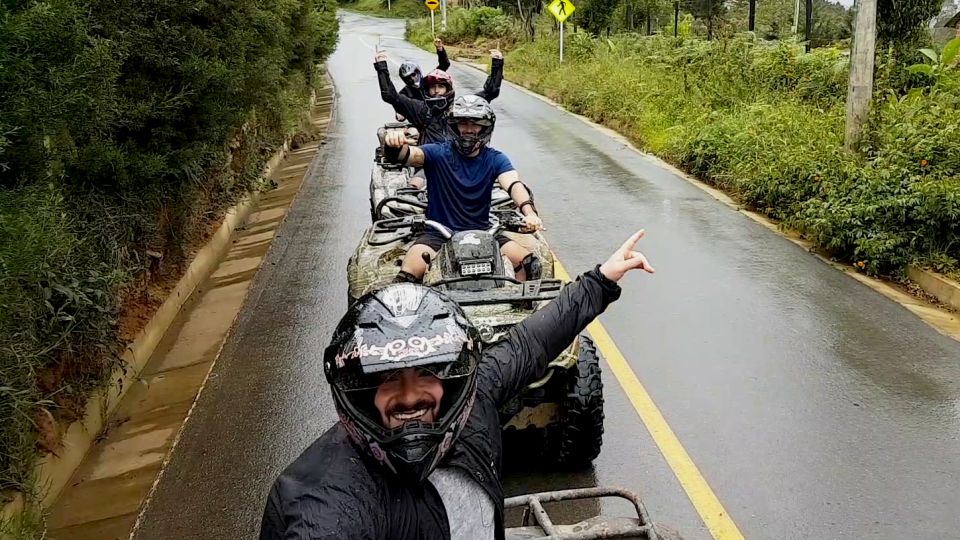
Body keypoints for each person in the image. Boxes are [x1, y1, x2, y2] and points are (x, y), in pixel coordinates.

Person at [258, 231, 655, 540]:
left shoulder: (475, 397)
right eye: (387, 377)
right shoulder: (323, 499)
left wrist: (600, 282)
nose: (411, 395)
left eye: (428, 373)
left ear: (454, 377)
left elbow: (531, 342)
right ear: (359, 389)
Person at [382, 95, 541, 283]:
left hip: (485, 233)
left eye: (475, 124)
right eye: (463, 123)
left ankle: (522, 309)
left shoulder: (496, 159)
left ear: (485, 127)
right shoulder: (437, 153)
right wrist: (393, 144)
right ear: (454, 125)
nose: (469, 130)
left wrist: (529, 212)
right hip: (439, 234)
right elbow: (408, 155)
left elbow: (514, 185)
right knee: (405, 278)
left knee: (531, 265)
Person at [375, 48, 504, 145]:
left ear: (448, 89)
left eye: (440, 87)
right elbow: (391, 96)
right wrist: (382, 67)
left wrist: (497, 64)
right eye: (432, 88)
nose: (436, 91)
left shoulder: (461, 107)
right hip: (429, 163)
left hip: (461, 159)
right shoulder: (420, 109)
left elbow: (490, 92)